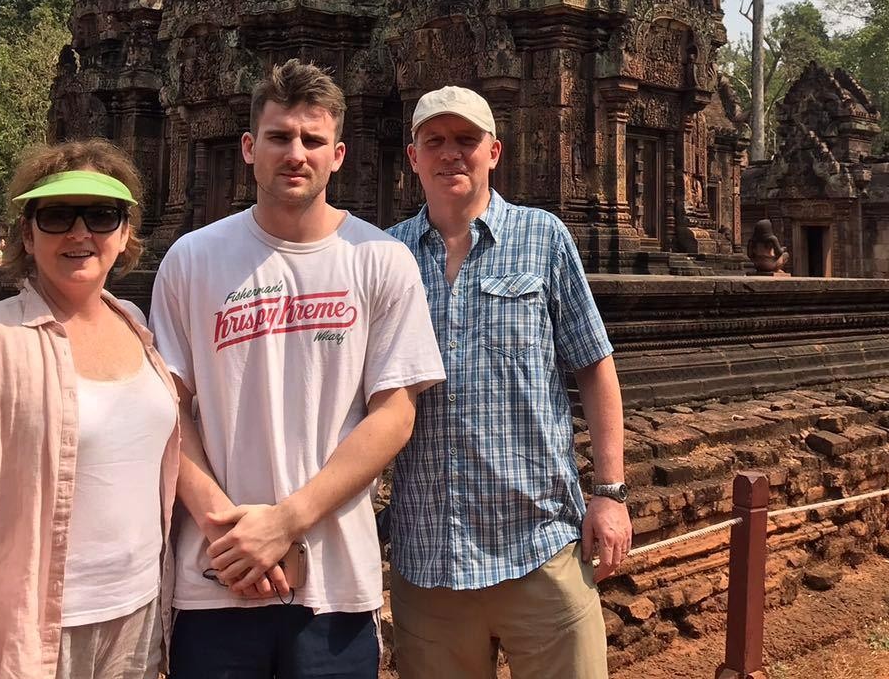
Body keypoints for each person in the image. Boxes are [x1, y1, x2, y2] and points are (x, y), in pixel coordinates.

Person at [150, 59, 445, 679]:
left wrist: (285, 522)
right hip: (216, 576)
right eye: (279, 137)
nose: (295, 153)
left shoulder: (381, 260)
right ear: (248, 148)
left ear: (338, 156)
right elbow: (167, 410)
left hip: (333, 582)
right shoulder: (191, 260)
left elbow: (394, 415)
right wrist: (229, 532)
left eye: (312, 140)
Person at [0, 139, 180, 679]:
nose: (79, 232)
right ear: (27, 234)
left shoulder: (139, 327)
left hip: (138, 614)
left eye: (101, 215)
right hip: (31, 626)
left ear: (125, 233)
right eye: (57, 216)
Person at [386, 86, 632, 679]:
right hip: (430, 555)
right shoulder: (386, 256)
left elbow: (594, 364)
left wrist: (610, 492)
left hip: (539, 545)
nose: (451, 153)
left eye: (466, 140)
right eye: (435, 141)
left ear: (494, 152)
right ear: (413, 157)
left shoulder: (543, 238)